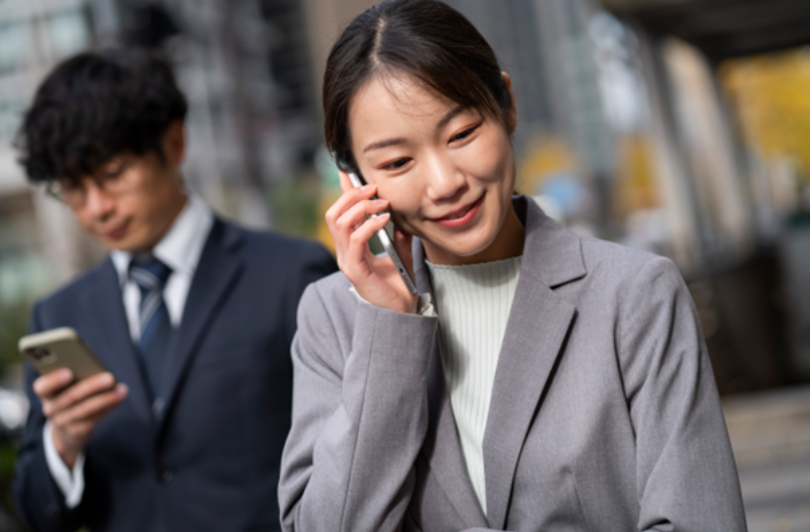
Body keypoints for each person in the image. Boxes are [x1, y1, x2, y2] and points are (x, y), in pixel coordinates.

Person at [278, 1, 747, 530]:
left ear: (507, 106)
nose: (444, 182)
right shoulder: (333, 318)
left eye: (461, 134)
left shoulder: (636, 295)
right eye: (396, 163)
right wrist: (390, 330)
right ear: (356, 180)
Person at [13, 49, 337, 532]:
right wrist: (63, 445)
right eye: (73, 188)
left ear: (174, 142)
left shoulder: (292, 275)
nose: (96, 208)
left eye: (113, 174)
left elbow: (350, 456)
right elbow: (35, 509)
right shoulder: (59, 314)